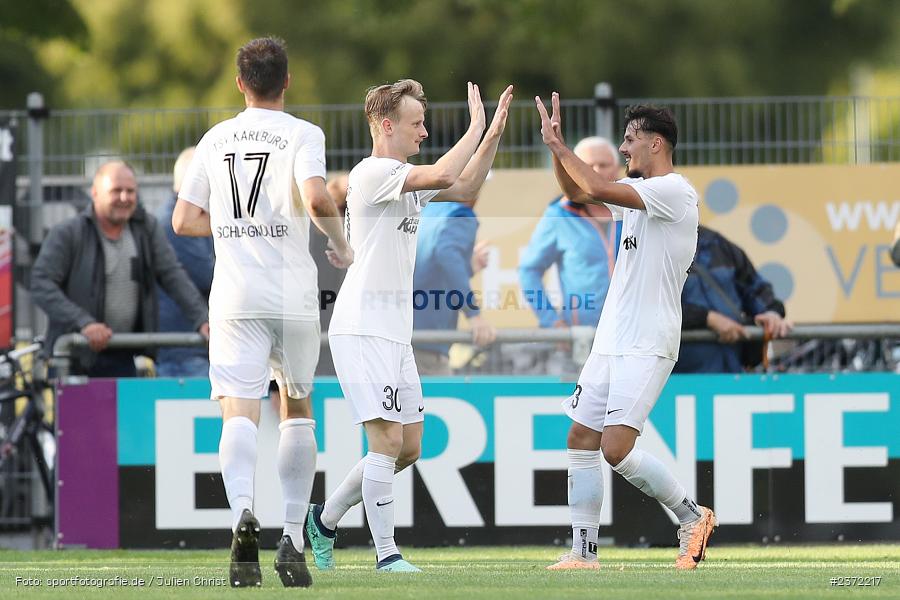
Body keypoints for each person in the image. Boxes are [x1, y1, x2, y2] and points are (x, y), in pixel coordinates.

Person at [304, 79, 513, 573]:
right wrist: (475, 125)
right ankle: (387, 555)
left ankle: (325, 519)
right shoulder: (373, 172)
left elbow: (464, 186)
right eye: (417, 123)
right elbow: (443, 171)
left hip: (394, 332)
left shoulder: (401, 179)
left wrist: (493, 134)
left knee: (409, 446)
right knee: (387, 443)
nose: (424, 132)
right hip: (361, 326)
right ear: (386, 125)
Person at [172, 37, 352, 589]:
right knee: (297, 409)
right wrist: (341, 245)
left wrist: (231, 228)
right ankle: (293, 535)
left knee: (239, 411)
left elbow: (183, 219)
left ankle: (241, 513)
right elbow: (318, 199)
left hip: (233, 294)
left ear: (239, 83)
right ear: (287, 81)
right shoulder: (303, 133)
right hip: (292, 293)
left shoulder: (214, 138)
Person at [536, 93, 715, 570]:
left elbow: (594, 188)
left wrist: (560, 144)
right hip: (611, 341)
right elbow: (577, 195)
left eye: (631, 139)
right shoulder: (638, 197)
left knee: (616, 448)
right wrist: (558, 153)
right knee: (580, 437)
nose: (624, 147)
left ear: (657, 143)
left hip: (647, 342)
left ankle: (691, 516)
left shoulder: (674, 191)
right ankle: (583, 553)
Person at [31, 161, 209, 377]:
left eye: (130, 191)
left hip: (123, 357)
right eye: (116, 191)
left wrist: (202, 319)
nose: (124, 198)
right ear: (95, 193)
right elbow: (41, 283)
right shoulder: (69, 233)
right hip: (75, 357)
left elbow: (172, 274)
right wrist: (83, 323)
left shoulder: (145, 229)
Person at [519, 137, 621, 330]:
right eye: (588, 165)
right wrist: (551, 322)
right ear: (573, 171)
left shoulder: (633, 212)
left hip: (630, 333)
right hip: (581, 336)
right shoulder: (558, 215)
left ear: (617, 169)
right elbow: (529, 270)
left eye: (604, 164)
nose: (597, 170)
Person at [675, 225, 792, 373]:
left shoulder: (718, 244)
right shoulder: (647, 247)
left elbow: (756, 289)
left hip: (731, 375)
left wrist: (771, 313)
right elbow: (647, 309)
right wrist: (707, 318)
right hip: (673, 381)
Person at [412, 192, 496, 375]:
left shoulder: (426, 211)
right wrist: (474, 314)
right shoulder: (459, 215)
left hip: (407, 336)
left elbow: (430, 270)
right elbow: (446, 254)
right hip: (428, 344)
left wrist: (467, 267)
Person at [156, 146, 215, 378]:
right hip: (183, 349)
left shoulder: (190, 217)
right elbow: (207, 274)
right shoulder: (175, 222)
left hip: (192, 344)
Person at [309, 174, 349, 375]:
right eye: (340, 210)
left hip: (342, 348)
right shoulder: (313, 243)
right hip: (316, 347)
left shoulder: (355, 244)